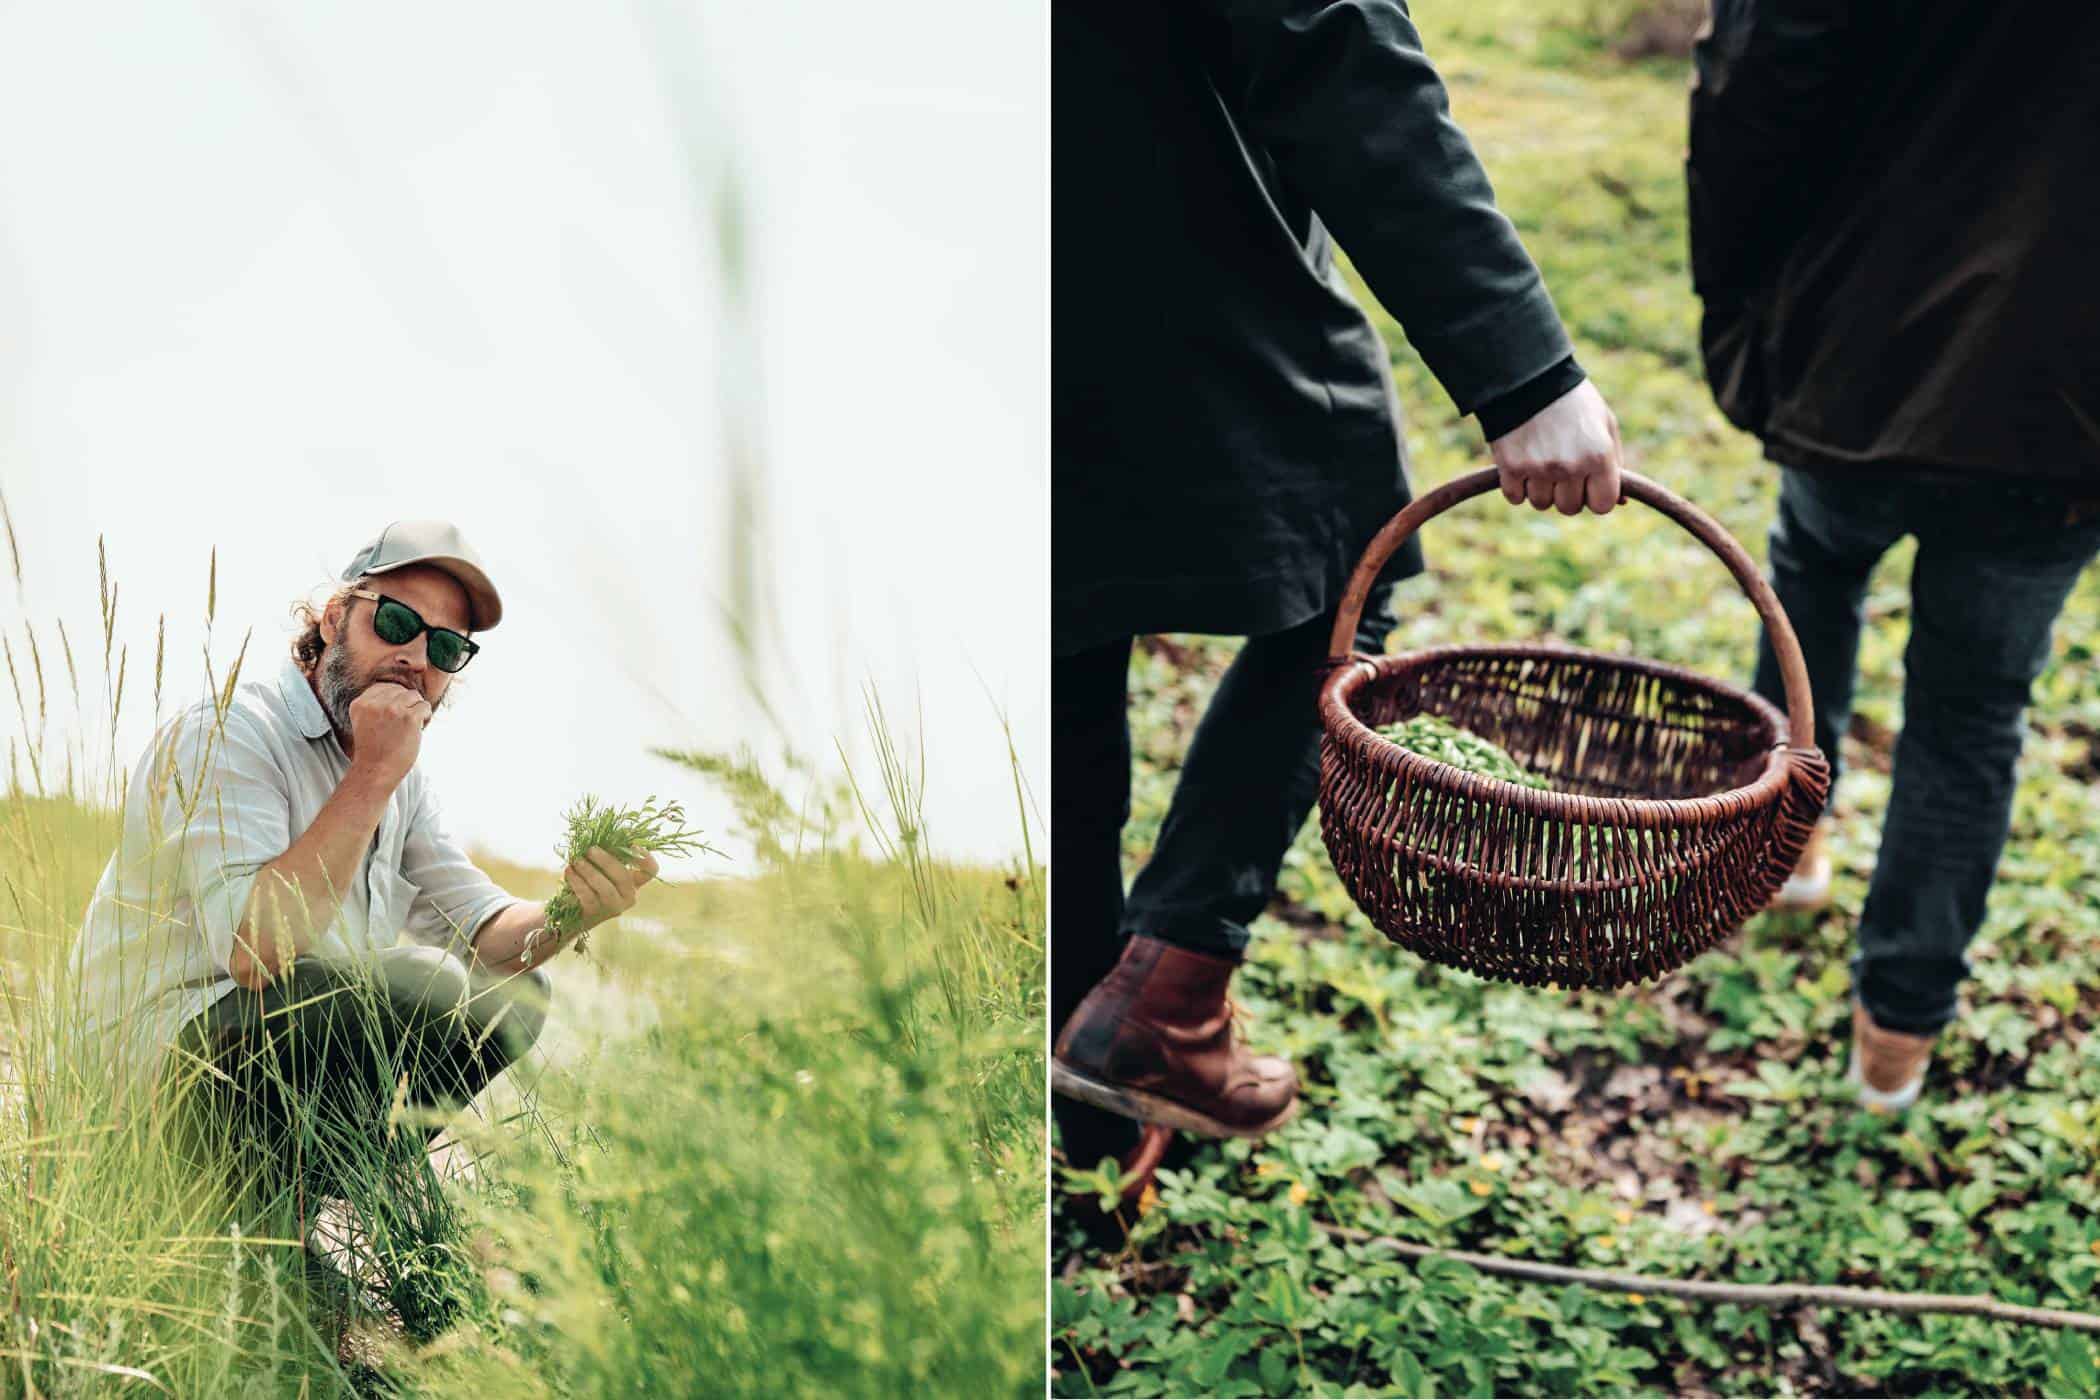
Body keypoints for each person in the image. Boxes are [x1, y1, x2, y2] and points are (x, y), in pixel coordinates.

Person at [1052, 0, 1625, 1198]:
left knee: (1064, 633)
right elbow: (1334, 48)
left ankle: (1088, 1103)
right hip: (1157, 243)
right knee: (1349, 556)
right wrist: (1524, 369)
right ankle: (1168, 987)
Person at [1689, 4, 2100, 1108]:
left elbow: (1758, 78)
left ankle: (1785, 844)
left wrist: (1739, 293)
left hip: (1864, 329)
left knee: (1816, 572)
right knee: (1974, 706)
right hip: (2063, 397)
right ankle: (1896, 1038)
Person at [69, 520, 659, 1190]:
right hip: (138, 1087)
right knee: (385, 986)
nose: (416, 657)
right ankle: (217, 1203)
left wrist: (573, 910)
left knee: (514, 994)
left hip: (259, 1050)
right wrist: (372, 776)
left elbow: (487, 938)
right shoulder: (233, 733)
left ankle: (309, 1201)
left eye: (444, 646)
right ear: (332, 618)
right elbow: (256, 950)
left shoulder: (400, 782)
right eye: (398, 622)